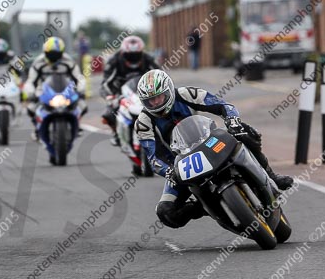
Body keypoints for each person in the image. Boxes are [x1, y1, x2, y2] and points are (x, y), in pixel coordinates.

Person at [134, 70, 294, 229]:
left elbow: (223, 106)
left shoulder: (185, 94)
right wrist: (169, 171)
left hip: (209, 140)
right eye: (150, 101)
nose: (155, 103)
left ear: (168, 90)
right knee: (165, 212)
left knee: (245, 132)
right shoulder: (143, 122)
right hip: (180, 165)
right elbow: (153, 157)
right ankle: (203, 207)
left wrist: (232, 121)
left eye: (158, 97)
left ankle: (271, 176)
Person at [23, 37, 86, 140]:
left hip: (65, 90)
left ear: (61, 52)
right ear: (45, 52)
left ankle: (77, 125)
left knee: (82, 105)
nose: (53, 57)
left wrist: (80, 90)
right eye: (50, 53)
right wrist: (31, 93)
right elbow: (31, 80)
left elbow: (79, 78)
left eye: (56, 54)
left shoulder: (69, 61)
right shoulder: (38, 63)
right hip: (44, 91)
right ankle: (37, 128)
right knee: (31, 108)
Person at [100, 35, 159, 146]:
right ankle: (116, 133)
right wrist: (109, 96)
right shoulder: (114, 61)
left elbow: (161, 75)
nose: (133, 59)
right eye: (130, 56)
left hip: (146, 91)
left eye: (136, 55)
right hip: (121, 93)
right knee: (108, 114)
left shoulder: (148, 59)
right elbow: (105, 83)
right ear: (123, 53)